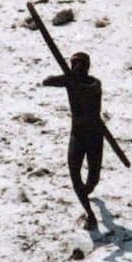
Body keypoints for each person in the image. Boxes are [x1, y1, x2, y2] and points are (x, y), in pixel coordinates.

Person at [43, 52, 103, 229]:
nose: (75, 69)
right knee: (75, 174)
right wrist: (69, 78)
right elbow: (47, 81)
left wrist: (70, 78)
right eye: (74, 65)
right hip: (77, 135)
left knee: (93, 179)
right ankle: (90, 213)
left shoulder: (94, 84)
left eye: (78, 65)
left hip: (94, 135)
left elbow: (86, 88)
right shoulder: (70, 81)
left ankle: (85, 194)